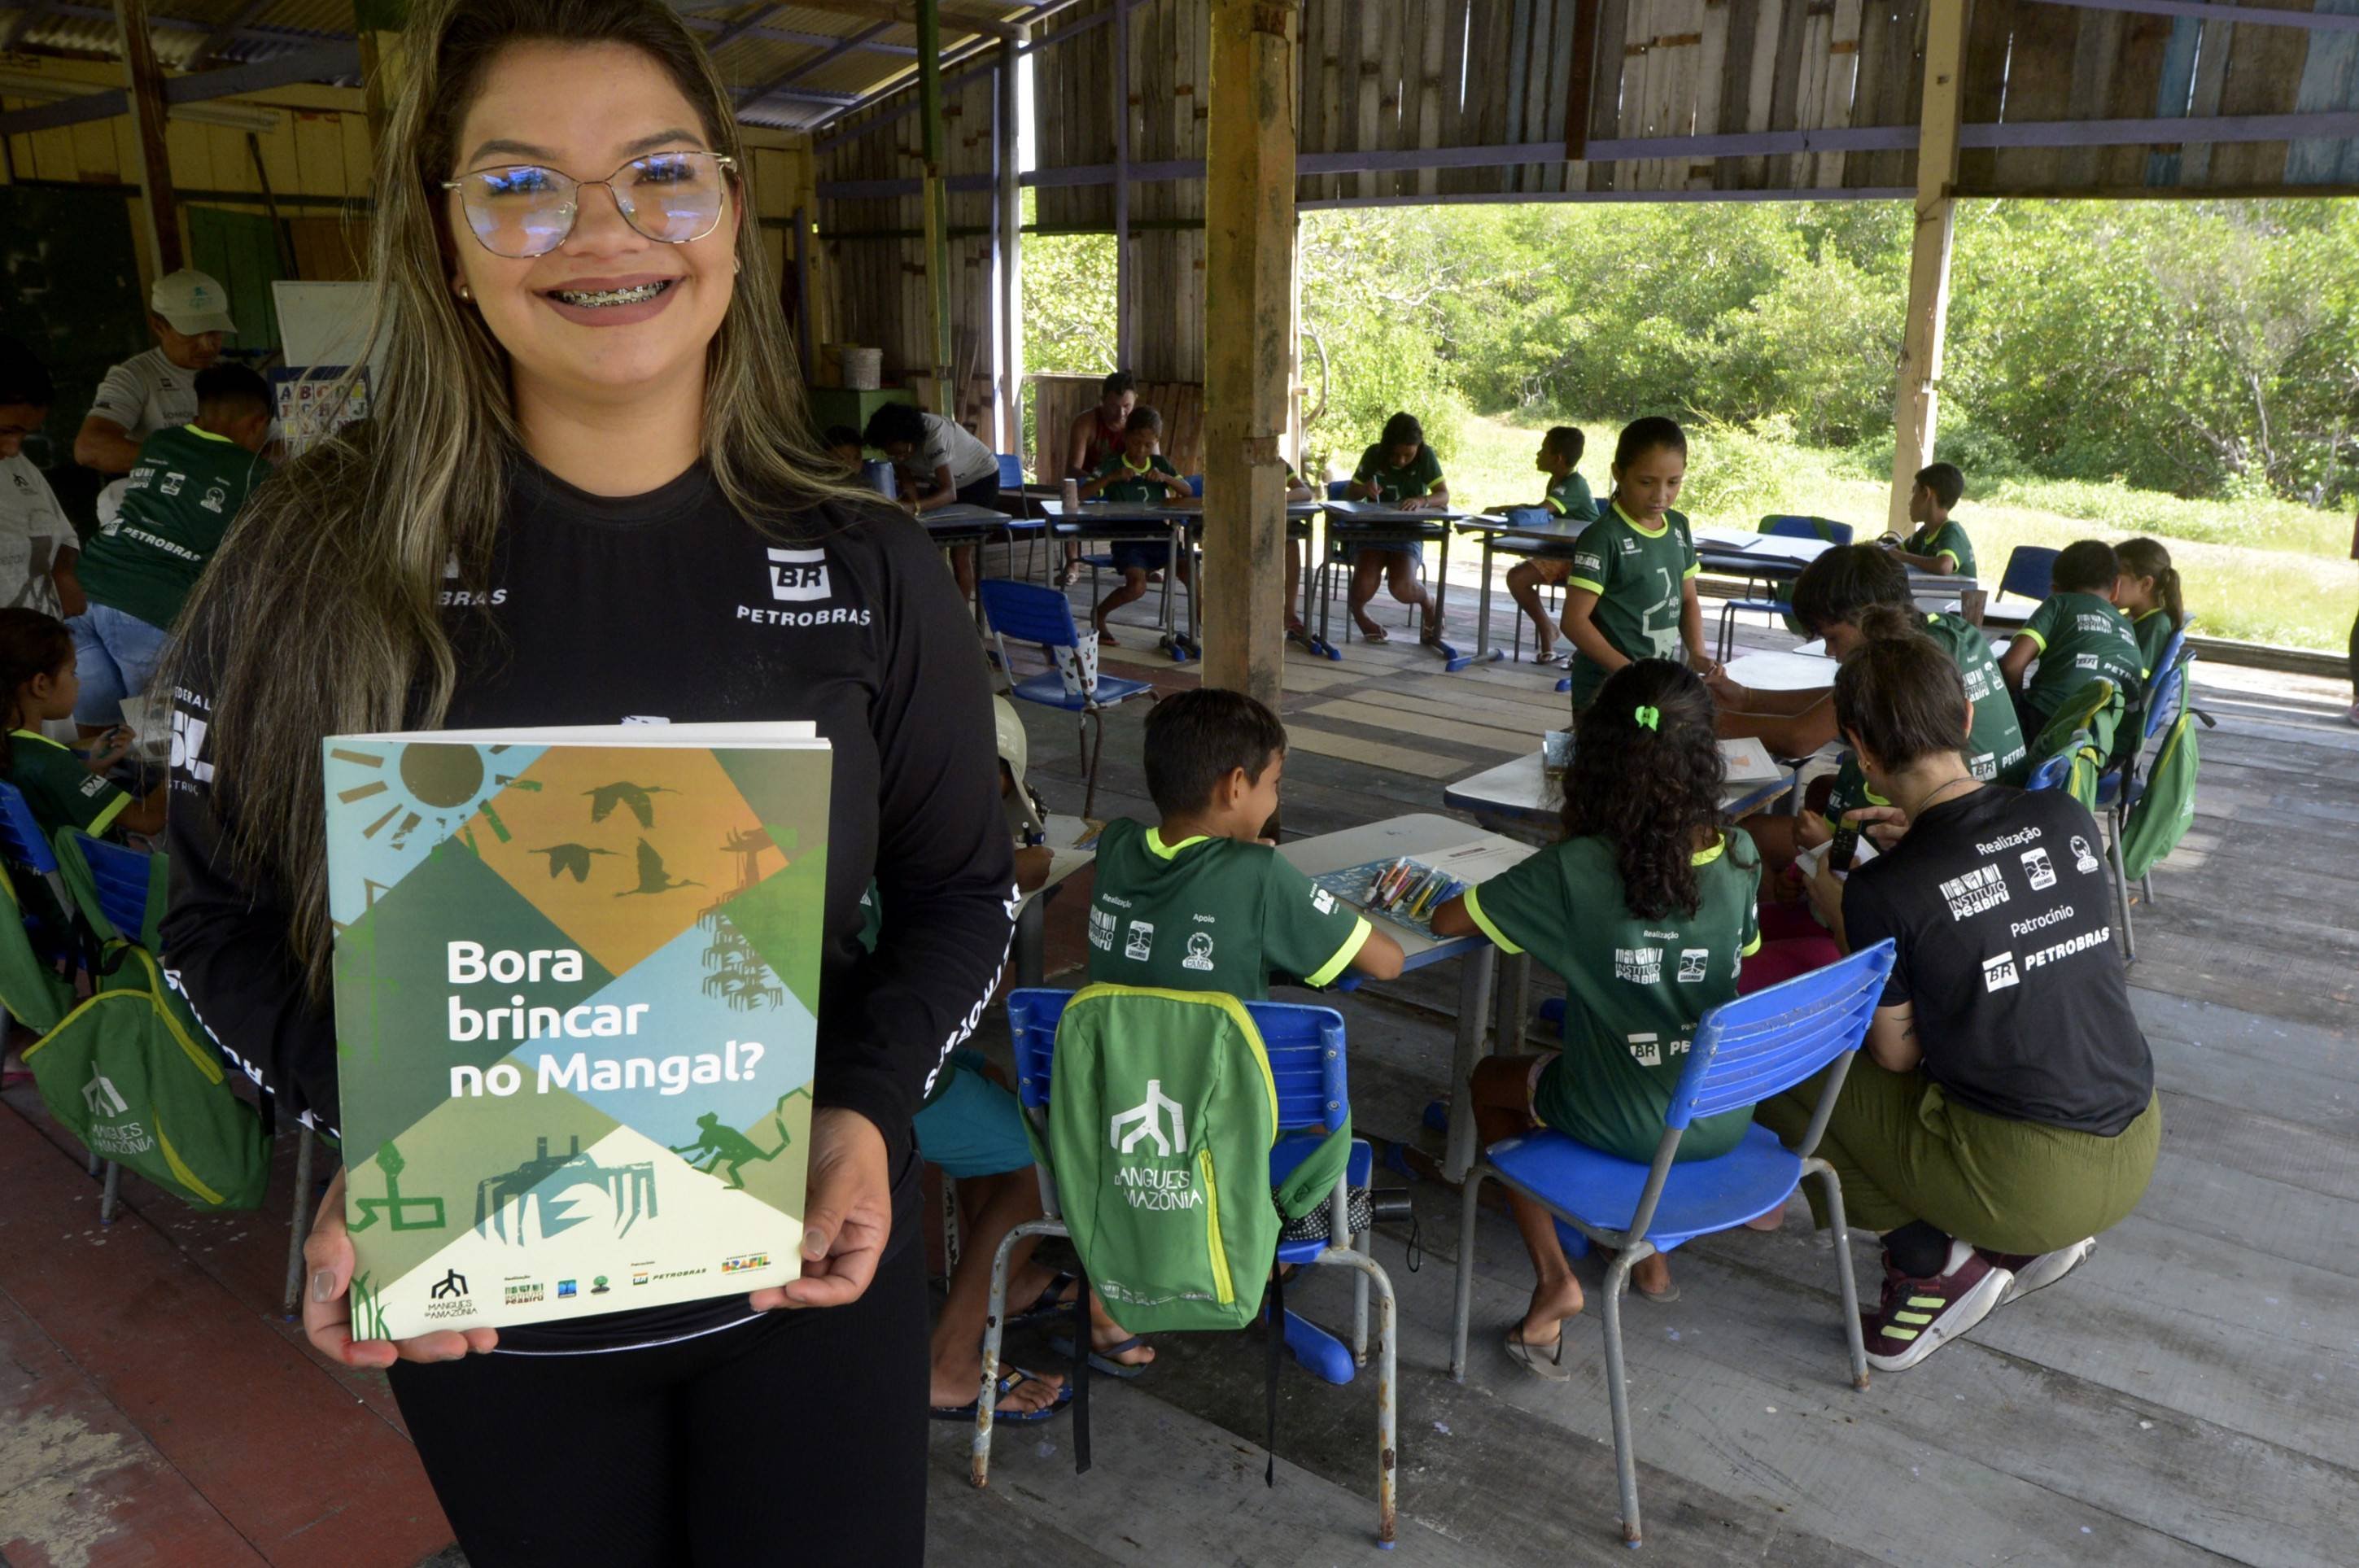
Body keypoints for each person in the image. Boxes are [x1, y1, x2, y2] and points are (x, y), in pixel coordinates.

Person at [158, 3, 1016, 1558]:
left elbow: (962, 892)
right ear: (445, 232)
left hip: (804, 1276)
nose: (602, 233)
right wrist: (389, 1145)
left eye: (657, 174)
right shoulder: (310, 564)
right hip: (497, 1312)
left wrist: (866, 1111)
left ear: (732, 214)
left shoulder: (866, 565)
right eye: (519, 183)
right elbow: (210, 924)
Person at [1758, 622, 2160, 1373]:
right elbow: (1998, 911)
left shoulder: (1883, 890)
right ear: (1968, 718)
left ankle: (1926, 1261)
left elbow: (1897, 1055)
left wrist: (1841, 905)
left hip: (2033, 1176)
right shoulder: (2065, 817)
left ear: (1861, 750)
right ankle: (2011, 1238)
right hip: (2134, 1136)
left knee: (1788, 1059)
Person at [1432, 663, 1833, 1369]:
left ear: (1595, 761)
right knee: (1645, 1085)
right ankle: (1652, 1263)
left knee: (1490, 1079)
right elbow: (1738, 953)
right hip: (1720, 1113)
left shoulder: (1574, 868)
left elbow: (1449, 916)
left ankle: (1555, 1277)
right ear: (1708, 758)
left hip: (1613, 1113)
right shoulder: (1739, 853)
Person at [1715, 548, 2025, 874]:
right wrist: (1747, 698)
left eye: (1832, 637)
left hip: (1947, 835)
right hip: (1995, 805)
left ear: (1868, 617)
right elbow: (1834, 701)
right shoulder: (1945, 633)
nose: (1830, 652)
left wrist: (1701, 719)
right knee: (1822, 789)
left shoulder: (1902, 664)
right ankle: (1810, 893)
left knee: (1747, 837)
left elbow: (1799, 738)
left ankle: (1793, 908)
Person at [1087, 688, 1405, 1001]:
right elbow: (1387, 962)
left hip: (1111, 1050)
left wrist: (1240, 857)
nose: (1274, 798)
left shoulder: (1114, 844)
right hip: (1216, 1053)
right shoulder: (1260, 874)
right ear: (1236, 785)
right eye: (1274, 783)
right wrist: (1251, 865)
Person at [64, 363, 272, 736]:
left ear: (198, 415)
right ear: (259, 424)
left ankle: (102, 794)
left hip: (84, 595)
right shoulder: (255, 475)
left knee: (99, 736)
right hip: (150, 610)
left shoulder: (160, 443)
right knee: (162, 746)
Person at [1561, 416, 1717, 715]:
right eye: (1646, 482)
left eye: (1673, 483)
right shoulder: (1603, 536)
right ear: (1618, 473)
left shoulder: (1678, 527)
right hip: (1605, 689)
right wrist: (1630, 672)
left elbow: (1687, 598)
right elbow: (1574, 621)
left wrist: (1698, 654)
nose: (1661, 496)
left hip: (1655, 686)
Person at [0, 609, 161, 840]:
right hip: (103, 871)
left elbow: (51, 794)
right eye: (72, 672)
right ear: (41, 685)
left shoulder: (18, 749)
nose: (78, 682)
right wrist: (184, 765)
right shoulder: (51, 761)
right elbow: (148, 820)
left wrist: (95, 768)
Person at [74, 269, 238, 478]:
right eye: (192, 332)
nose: (206, 345)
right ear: (158, 326)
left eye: (215, 331)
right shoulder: (134, 376)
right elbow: (90, 448)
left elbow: (274, 442)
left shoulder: (238, 376)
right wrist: (188, 461)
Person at [1998, 538, 2143, 735]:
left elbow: (2011, 666)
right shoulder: (2127, 625)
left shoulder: (2059, 604)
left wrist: (2013, 705)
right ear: (2116, 588)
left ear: (2055, 589)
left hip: (2050, 724)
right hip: (2111, 737)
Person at [1075, 404, 1192, 646]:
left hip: (1161, 536)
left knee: (1191, 575)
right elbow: (1080, 495)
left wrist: (1165, 478)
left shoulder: (1160, 464)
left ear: (1157, 441)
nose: (1141, 450)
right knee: (1137, 587)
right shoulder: (1112, 464)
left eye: (1148, 445)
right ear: (1126, 437)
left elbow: (1188, 491)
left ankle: (1199, 632)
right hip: (1127, 538)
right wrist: (1111, 478)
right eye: (1135, 442)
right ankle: (1099, 614)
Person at [863, 400, 1001, 599]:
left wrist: (914, 507)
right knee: (927, 545)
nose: (898, 457)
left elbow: (949, 493)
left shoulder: (935, 434)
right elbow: (908, 484)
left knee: (960, 553)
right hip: (943, 480)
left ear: (909, 439)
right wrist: (910, 507)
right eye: (892, 454)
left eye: (901, 452)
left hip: (979, 479)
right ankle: (934, 606)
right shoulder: (893, 443)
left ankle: (960, 618)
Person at [1499, 424, 1599, 666]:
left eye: (1542, 450)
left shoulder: (1573, 484)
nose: (1537, 454)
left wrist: (1506, 510)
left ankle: (1587, 654)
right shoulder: (1556, 481)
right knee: (1517, 578)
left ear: (1558, 458)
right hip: (1559, 553)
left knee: (1580, 594)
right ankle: (1548, 631)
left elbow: (1542, 512)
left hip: (1584, 558)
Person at [1344, 411, 1445, 645]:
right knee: (1363, 585)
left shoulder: (1426, 456)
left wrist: (1422, 500)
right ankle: (1360, 614)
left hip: (1407, 532)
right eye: (1395, 454)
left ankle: (1428, 602)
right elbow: (1350, 492)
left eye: (1407, 455)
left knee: (1402, 588)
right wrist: (1364, 489)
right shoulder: (1373, 453)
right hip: (1373, 530)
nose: (1400, 461)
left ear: (1418, 448)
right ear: (1386, 446)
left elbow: (1444, 494)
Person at [0, 340, 79, 623]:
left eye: (24, 434)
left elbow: (64, 535)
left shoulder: (17, 466)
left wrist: (62, 573)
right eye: (7, 431)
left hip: (41, 649)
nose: (12, 449)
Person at [1056, 371, 1136, 587]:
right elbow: (1072, 469)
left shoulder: (1139, 423)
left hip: (1129, 486)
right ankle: (1073, 563)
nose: (1121, 413)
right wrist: (1104, 479)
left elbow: (1154, 460)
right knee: (1071, 491)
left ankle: (1147, 563)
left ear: (1135, 402)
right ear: (1102, 402)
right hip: (1094, 485)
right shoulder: (1086, 422)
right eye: (1114, 406)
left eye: (1127, 406)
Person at [1880, 461, 1976, 579]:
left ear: (1926, 494)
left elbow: (1944, 566)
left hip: (1958, 598)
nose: (1910, 502)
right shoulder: (1925, 532)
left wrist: (1903, 557)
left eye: (1914, 492)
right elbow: (1896, 550)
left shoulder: (1952, 531)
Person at [2112, 536, 2184, 680]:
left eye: (2114, 580)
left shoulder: (2156, 625)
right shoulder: (2134, 618)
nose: (2106, 586)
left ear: (2146, 584)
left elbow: (2136, 678)